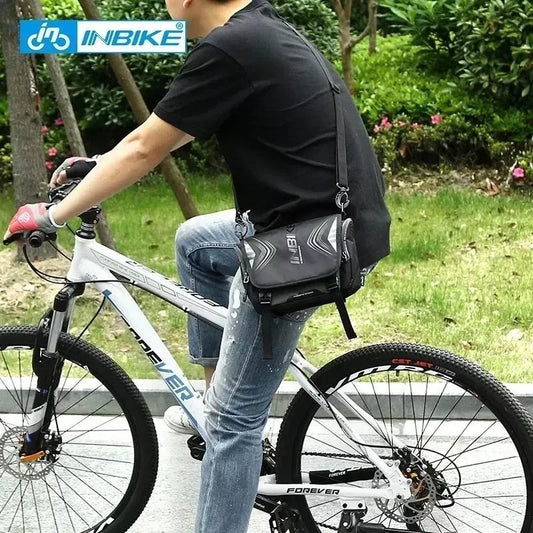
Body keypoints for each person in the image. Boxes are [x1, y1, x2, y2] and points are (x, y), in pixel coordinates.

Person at [4, 0, 391, 530]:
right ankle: (213, 395)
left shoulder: (230, 47)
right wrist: (97, 168)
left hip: (305, 246)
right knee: (195, 242)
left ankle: (224, 418)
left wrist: (53, 215)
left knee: (232, 426)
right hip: (340, 222)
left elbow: (146, 148)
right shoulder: (256, 30)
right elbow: (168, 131)